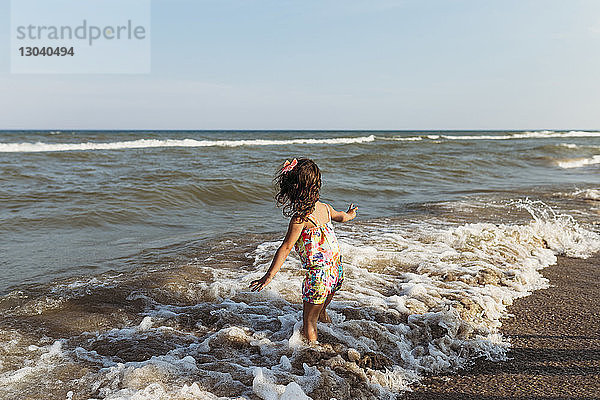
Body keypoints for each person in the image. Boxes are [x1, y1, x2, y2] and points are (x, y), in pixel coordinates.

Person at [249, 158, 357, 342]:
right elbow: (341, 217)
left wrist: (268, 276)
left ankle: (313, 351)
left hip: (318, 276)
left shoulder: (300, 219)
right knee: (321, 309)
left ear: (293, 190)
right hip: (336, 271)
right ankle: (330, 329)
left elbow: (286, 247)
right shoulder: (325, 207)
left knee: (308, 321)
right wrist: (350, 214)